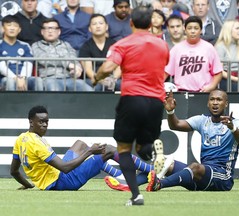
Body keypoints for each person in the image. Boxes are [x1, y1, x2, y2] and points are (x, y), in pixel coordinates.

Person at [93, 6, 169, 206]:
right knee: (143, 147)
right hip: (155, 102)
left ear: (131, 23)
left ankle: (136, 196)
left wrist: (96, 77)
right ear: (152, 24)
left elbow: (108, 67)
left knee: (124, 149)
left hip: (132, 99)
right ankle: (153, 151)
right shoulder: (162, 46)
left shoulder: (124, 44)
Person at [10, 105, 158, 191]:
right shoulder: (37, 143)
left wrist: (28, 185)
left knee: (79, 143)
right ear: (31, 122)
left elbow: (14, 171)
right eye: (41, 122)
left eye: (46, 122)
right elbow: (65, 168)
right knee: (110, 149)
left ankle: (119, 174)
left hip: (55, 176)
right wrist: (90, 152)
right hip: (63, 182)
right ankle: (152, 170)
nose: (45, 125)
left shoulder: (21, 139)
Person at [146, 89, 239, 192]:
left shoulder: (236, 123)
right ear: (208, 103)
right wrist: (170, 112)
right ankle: (131, 185)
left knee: (195, 167)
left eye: (219, 100)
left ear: (226, 104)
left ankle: (159, 184)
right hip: (202, 176)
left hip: (222, 178)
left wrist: (233, 128)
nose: (215, 103)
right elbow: (175, 125)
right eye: (212, 99)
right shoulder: (202, 121)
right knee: (164, 163)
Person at [31, 18, 93, 91]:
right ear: (42, 32)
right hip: (49, 78)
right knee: (55, 92)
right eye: (47, 28)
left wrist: (77, 69)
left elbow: (74, 59)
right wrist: (68, 64)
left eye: (53, 28)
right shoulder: (36, 45)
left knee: (88, 90)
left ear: (59, 31)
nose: (50, 31)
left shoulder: (66, 45)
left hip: (69, 78)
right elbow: (44, 59)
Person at [164, 16, 223, 92]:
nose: (192, 31)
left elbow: (218, 72)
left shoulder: (209, 48)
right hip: (182, 92)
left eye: (196, 28)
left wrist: (212, 86)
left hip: (203, 92)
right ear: (185, 30)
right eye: (189, 28)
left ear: (201, 30)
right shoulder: (176, 49)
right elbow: (166, 72)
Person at [79, 14, 121, 91]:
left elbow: (120, 66)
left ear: (106, 27)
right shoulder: (85, 47)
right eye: (94, 24)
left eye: (101, 23)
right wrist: (101, 80)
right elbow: (88, 70)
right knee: (97, 87)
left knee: (121, 84)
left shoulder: (114, 44)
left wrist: (113, 79)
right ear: (89, 29)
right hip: (94, 79)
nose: (98, 26)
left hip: (113, 78)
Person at [0, 15, 43, 91]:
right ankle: (11, 103)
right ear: (3, 28)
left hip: (23, 78)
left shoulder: (25, 45)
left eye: (15, 26)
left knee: (37, 80)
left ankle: (39, 103)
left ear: (19, 30)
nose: (12, 28)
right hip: (5, 79)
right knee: (10, 82)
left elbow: (28, 64)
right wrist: (16, 78)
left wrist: (22, 78)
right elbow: (2, 67)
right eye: (9, 25)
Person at [215, 19, 239, 92]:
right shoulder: (220, 46)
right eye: (237, 28)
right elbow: (219, 71)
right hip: (224, 79)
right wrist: (237, 79)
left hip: (238, 76)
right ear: (228, 30)